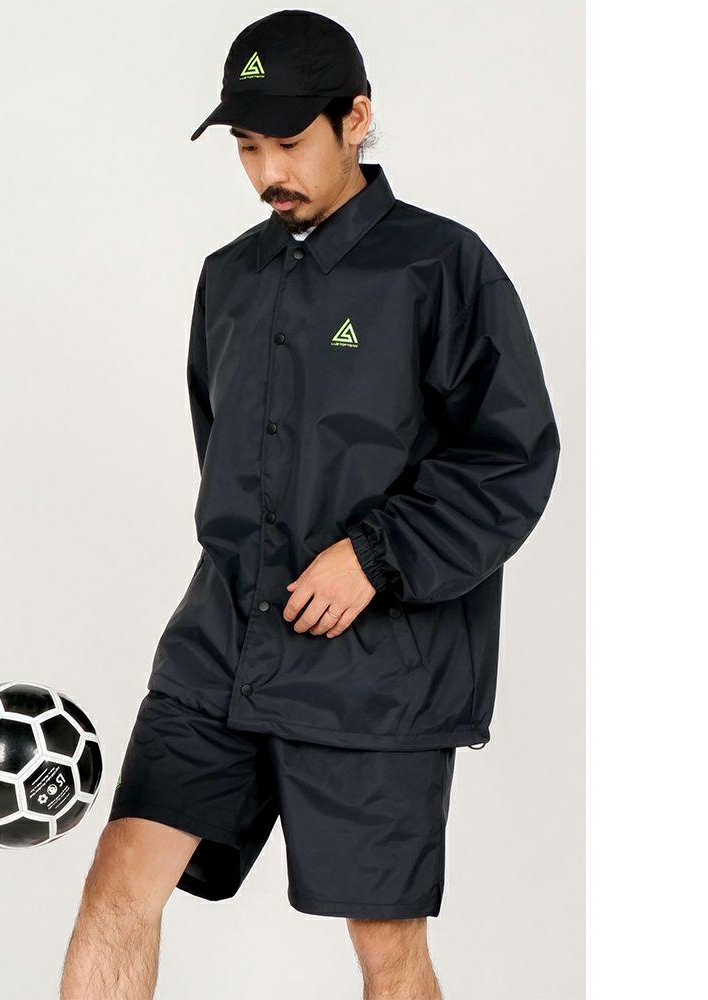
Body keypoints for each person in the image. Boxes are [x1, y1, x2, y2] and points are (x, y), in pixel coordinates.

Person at [60, 9, 560, 1000]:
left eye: (288, 142)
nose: (266, 171)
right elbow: (224, 453)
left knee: (386, 949)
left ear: (355, 119)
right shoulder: (229, 279)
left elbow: (511, 455)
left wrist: (375, 554)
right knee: (119, 881)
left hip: (376, 668)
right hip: (221, 645)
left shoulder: (440, 266)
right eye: (248, 146)